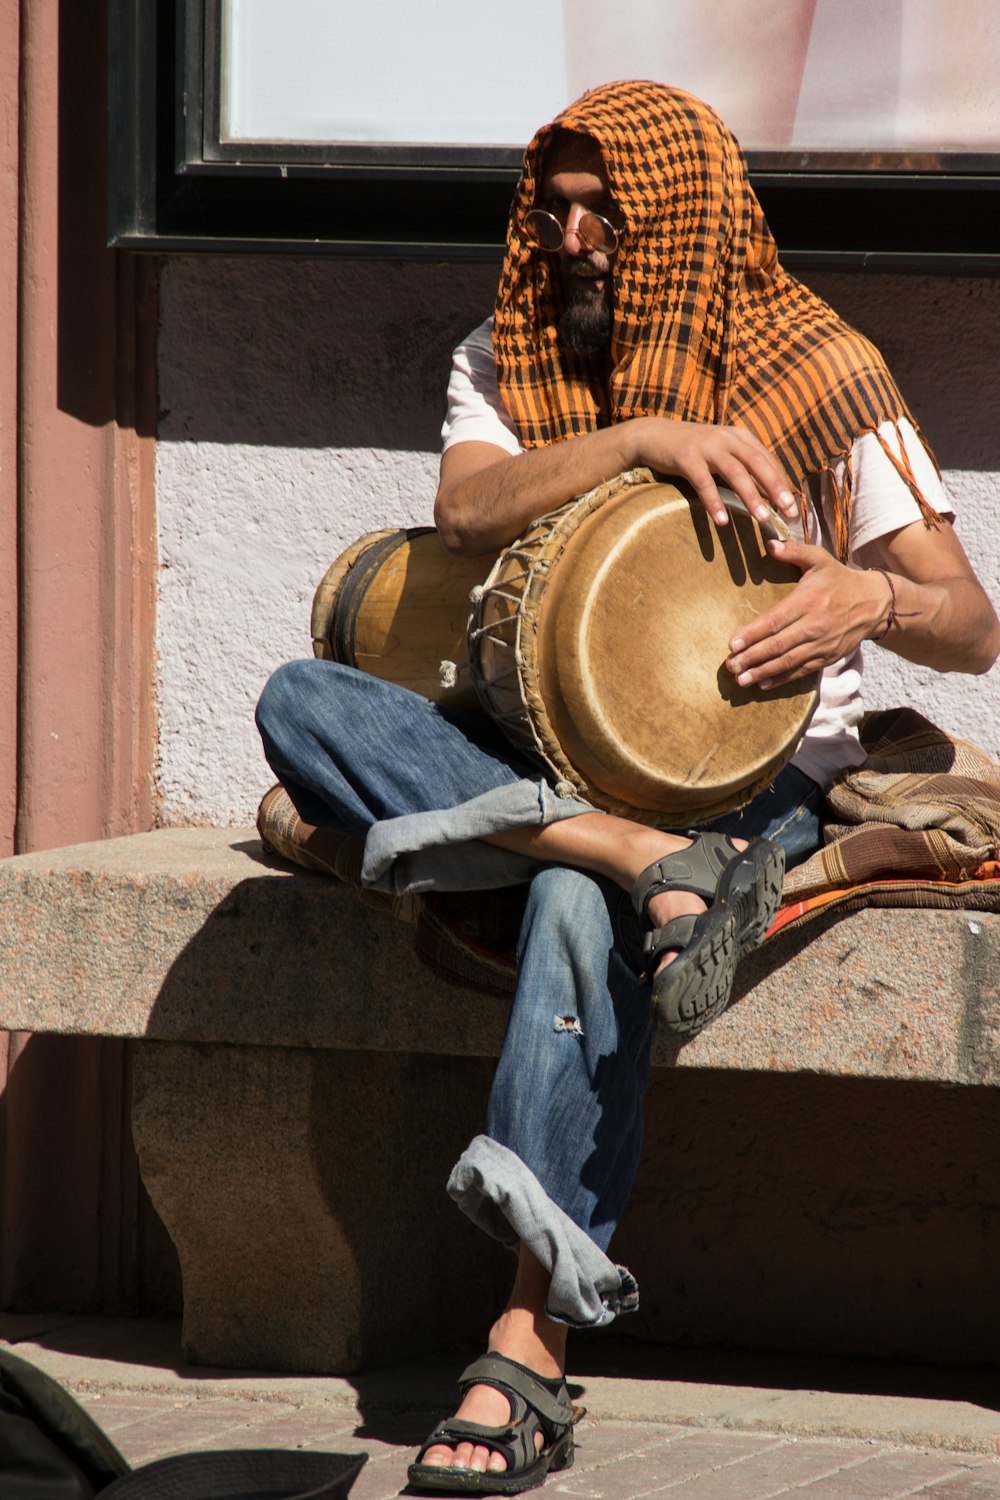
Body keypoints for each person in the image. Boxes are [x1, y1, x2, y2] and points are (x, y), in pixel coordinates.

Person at [256, 81, 1000, 1495]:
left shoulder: (826, 371)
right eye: (563, 206)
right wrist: (645, 440)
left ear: (687, 214)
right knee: (300, 698)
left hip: (761, 776)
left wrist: (864, 602)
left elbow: (968, 620)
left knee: (568, 911)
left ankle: (528, 1337)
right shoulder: (513, 351)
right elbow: (467, 508)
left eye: (612, 210)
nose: (579, 235)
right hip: (541, 758)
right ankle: (629, 846)